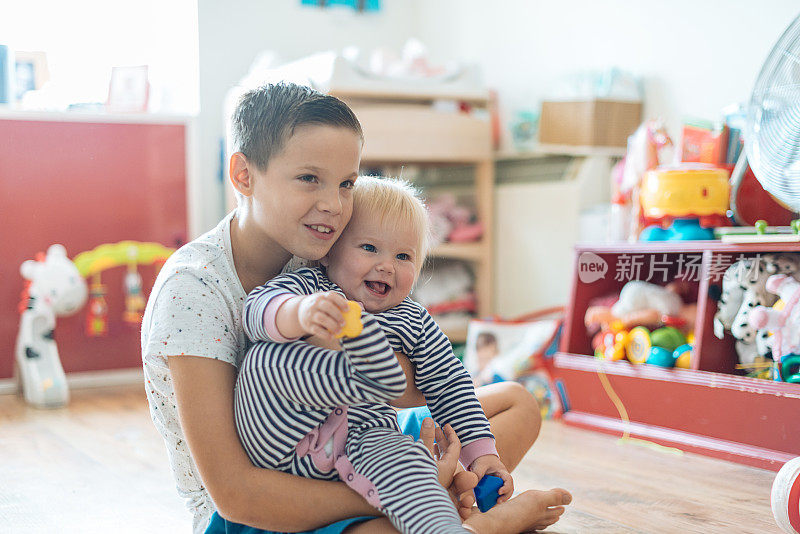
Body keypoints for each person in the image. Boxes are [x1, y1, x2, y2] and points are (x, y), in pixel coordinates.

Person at [141, 82, 571, 534]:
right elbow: (237, 496)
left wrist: (461, 456)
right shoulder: (193, 290)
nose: (333, 205)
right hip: (262, 502)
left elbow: (410, 374)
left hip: (360, 441)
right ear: (244, 175)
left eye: (347, 183)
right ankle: (477, 523)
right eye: (310, 178)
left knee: (516, 402)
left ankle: (436, 506)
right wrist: (412, 488)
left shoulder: (327, 247)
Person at [235, 177, 510, 533]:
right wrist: (300, 313)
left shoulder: (413, 318)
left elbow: (450, 385)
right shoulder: (311, 287)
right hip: (283, 430)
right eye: (369, 247)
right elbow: (254, 310)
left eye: (403, 256)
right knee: (263, 360)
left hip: (366, 442)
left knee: (411, 466)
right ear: (330, 248)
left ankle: (446, 528)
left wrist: (482, 453)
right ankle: (364, 376)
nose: (387, 266)